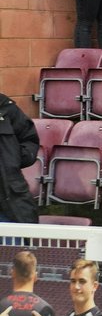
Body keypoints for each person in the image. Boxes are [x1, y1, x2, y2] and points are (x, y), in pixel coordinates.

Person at [0, 92, 38, 224]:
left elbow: (30, 139)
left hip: (11, 196)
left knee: (18, 243)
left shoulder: (5, 106)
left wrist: (12, 160)